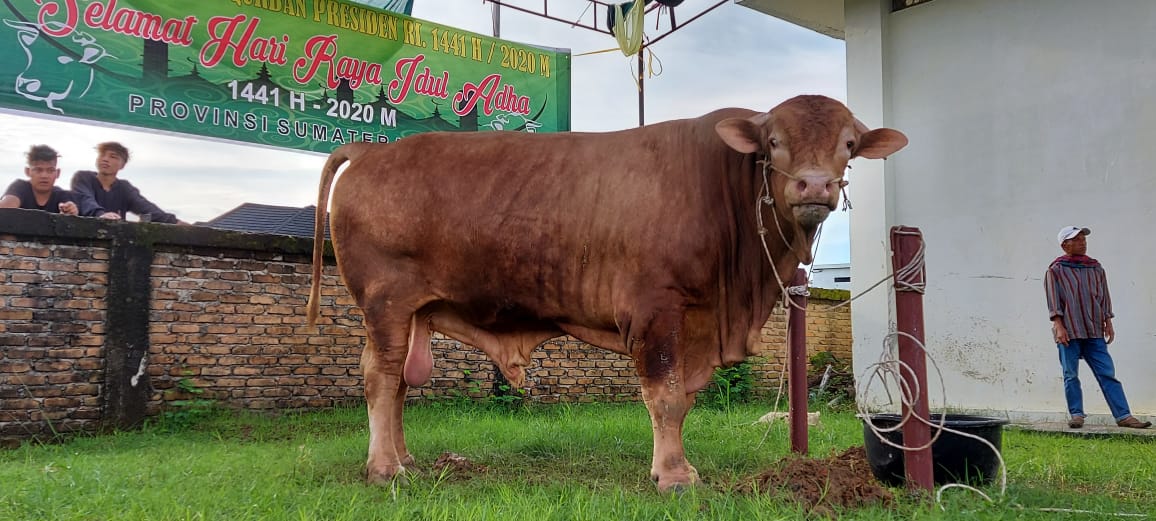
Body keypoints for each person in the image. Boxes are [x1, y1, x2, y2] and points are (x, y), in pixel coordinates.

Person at [1045, 226, 1150, 429]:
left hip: (1094, 330)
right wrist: (1058, 325)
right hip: (1069, 330)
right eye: (1076, 240)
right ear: (1064, 245)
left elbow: (1103, 296)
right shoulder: (1055, 270)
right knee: (1070, 374)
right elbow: (1053, 300)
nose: (1082, 242)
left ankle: (1124, 416)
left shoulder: (1096, 268)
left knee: (1107, 373)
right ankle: (1076, 414)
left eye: (1083, 239)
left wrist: (1108, 321)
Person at [70, 141, 185, 224]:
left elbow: (146, 208)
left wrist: (175, 222)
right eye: (102, 155)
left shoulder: (124, 187)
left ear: (122, 165)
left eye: (113, 156)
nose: (105, 159)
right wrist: (100, 215)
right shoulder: (83, 177)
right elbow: (85, 199)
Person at [0, 144, 78, 215]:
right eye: (38, 170)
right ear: (28, 171)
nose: (44, 175)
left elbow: (71, 217)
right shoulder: (19, 187)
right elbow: (5, 209)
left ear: (57, 173)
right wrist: (8, 204)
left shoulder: (61, 195)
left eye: (50, 170)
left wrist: (71, 212)